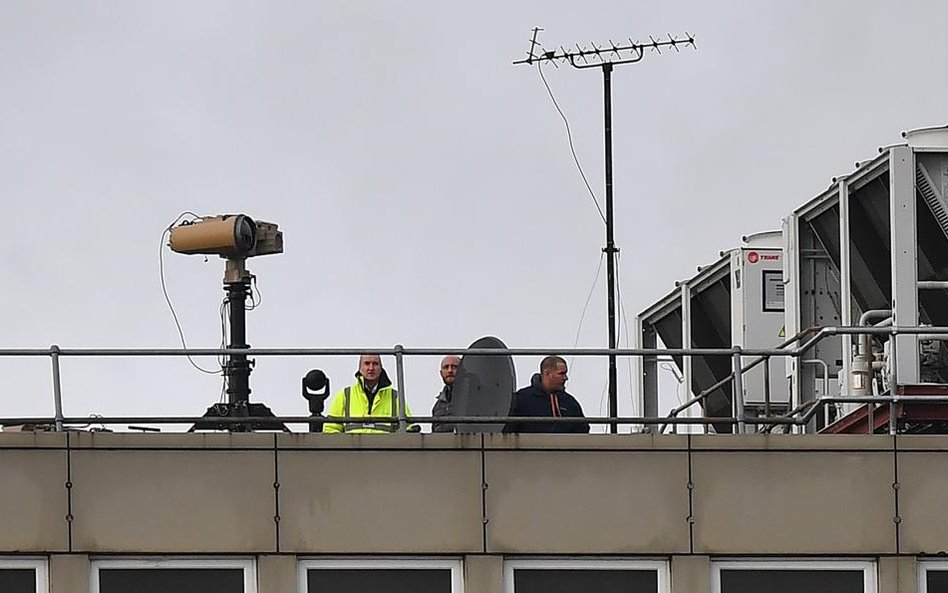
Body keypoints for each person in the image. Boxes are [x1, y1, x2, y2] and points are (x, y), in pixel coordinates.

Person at [324, 354, 415, 434]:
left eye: (375, 364)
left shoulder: (395, 397)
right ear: (360, 368)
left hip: (385, 452)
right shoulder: (345, 395)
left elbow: (408, 428)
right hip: (352, 452)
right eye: (367, 363)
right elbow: (330, 428)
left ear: (381, 368)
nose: (371, 368)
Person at [505, 355, 589, 433]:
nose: (566, 378)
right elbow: (507, 429)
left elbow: (582, 432)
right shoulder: (522, 399)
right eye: (561, 373)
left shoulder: (570, 403)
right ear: (547, 373)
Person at [431, 355, 460, 433]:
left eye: (454, 367)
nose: (450, 370)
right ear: (441, 373)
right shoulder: (438, 406)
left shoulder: (472, 397)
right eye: (446, 367)